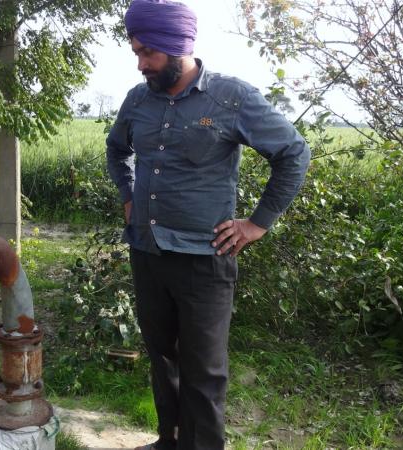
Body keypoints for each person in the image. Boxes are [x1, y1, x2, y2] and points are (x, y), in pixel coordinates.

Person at [105, 1, 311, 449]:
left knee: (204, 371)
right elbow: (116, 149)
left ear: (177, 48)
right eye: (136, 52)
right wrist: (127, 194)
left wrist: (258, 223)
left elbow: (293, 153)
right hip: (147, 251)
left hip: (205, 259)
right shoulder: (138, 100)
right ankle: (170, 441)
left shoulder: (230, 98)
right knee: (163, 359)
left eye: (148, 53)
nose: (140, 64)